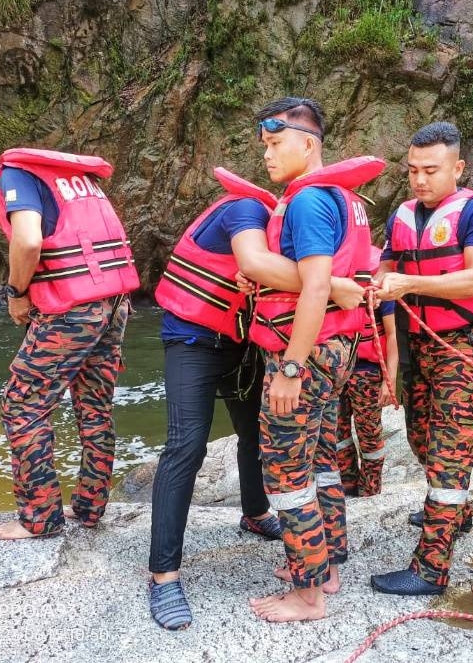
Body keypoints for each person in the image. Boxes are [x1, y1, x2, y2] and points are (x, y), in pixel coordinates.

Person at [146, 167, 367, 630]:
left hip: (246, 344)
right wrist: (334, 284)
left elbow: (265, 275)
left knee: (255, 437)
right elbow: (254, 263)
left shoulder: (291, 210)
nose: (268, 156)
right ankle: (164, 575)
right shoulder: (246, 208)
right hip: (194, 340)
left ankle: (255, 513)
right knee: (187, 446)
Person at [0, 147, 139, 540]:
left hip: (72, 309)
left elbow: (29, 241)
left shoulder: (13, 176)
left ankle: (40, 517)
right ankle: (90, 506)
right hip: (114, 304)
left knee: (22, 405)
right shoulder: (63, 179)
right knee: (95, 407)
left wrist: (16, 293)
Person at [245, 97, 384, 623]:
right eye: (265, 144)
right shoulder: (345, 198)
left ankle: (308, 595)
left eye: (276, 143)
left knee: (285, 470)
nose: (267, 154)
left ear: (308, 144)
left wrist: (290, 367)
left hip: (307, 352)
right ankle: (327, 565)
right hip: (340, 350)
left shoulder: (306, 201)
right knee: (322, 457)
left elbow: (318, 285)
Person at [369, 121, 473, 596]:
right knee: (420, 437)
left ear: (458, 168)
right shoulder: (402, 214)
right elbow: (385, 267)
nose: (420, 179)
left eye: (431, 170)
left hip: (461, 344)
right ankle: (457, 512)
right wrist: (372, 283)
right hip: (417, 344)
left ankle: (430, 568)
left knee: (450, 450)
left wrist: (410, 283)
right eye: (413, 170)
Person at [335, 246, 399, 497]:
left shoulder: (380, 288)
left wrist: (389, 380)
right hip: (338, 368)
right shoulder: (336, 281)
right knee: (337, 429)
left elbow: (392, 336)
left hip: (367, 371)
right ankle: (347, 482)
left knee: (369, 432)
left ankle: (371, 488)